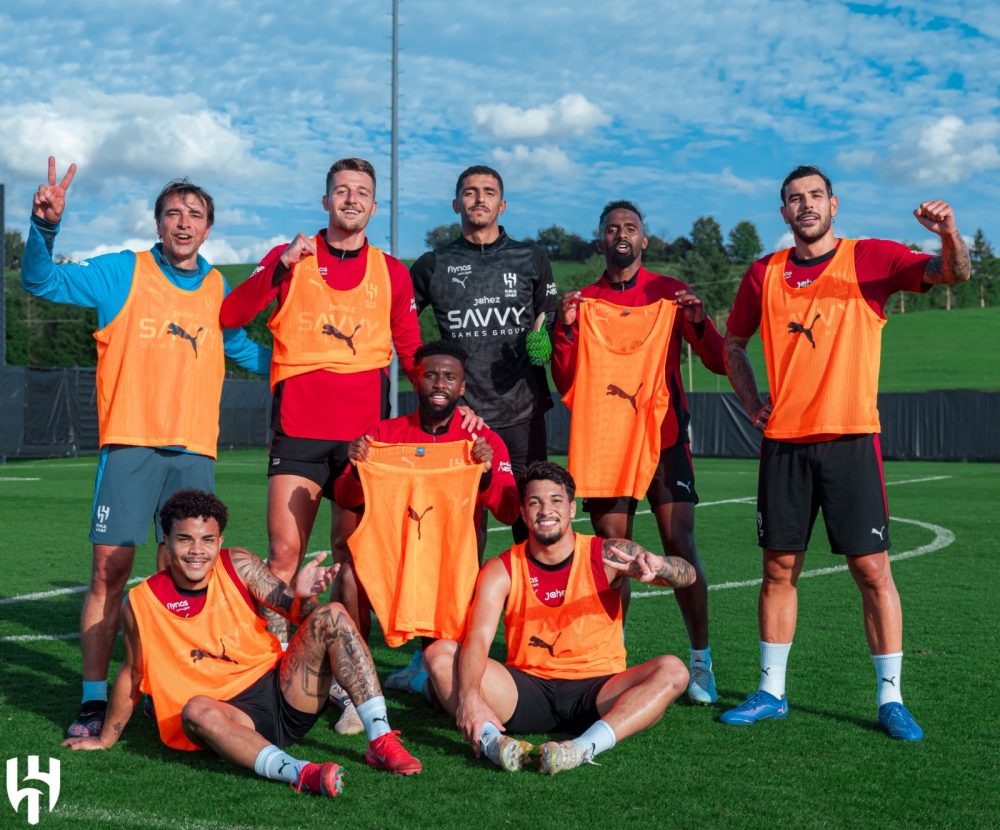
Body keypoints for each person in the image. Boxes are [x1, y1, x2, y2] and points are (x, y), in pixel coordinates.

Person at [22, 157, 271, 740]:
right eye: (174, 213)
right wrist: (45, 227)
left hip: (194, 451)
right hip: (131, 443)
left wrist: (313, 368)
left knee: (186, 573)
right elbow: (41, 281)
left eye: (196, 214)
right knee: (110, 569)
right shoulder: (122, 272)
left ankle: (174, 684)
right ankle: (93, 699)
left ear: (208, 228)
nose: (184, 222)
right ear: (158, 223)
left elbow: (243, 350)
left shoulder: (217, 286)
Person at [720, 165, 971, 740]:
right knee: (778, 569)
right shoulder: (763, 273)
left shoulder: (870, 258)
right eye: (794, 199)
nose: (806, 205)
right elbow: (734, 342)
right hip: (784, 445)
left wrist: (949, 234)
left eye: (816, 196)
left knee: (872, 570)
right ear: (783, 212)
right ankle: (771, 692)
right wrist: (753, 402)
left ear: (834, 205)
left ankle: (891, 699)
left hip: (852, 439)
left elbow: (952, 274)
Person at [62, 489, 422, 793]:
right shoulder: (141, 602)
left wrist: (302, 596)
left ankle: (381, 739)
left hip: (283, 692)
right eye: (185, 539)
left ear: (219, 541)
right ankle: (301, 772)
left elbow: (302, 615)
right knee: (196, 710)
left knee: (333, 615)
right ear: (167, 542)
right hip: (228, 718)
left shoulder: (239, 563)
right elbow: (132, 672)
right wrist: (105, 738)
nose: (197, 550)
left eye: (207, 540)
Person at [551, 200, 727, 705]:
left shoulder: (669, 293)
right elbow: (564, 378)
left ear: (644, 240)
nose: (621, 234)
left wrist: (698, 322)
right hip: (606, 441)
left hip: (664, 438)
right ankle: (610, 660)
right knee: (613, 552)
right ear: (600, 240)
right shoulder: (584, 301)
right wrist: (564, 329)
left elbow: (717, 360)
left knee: (680, 544)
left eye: (630, 227)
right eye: (612, 228)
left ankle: (701, 661)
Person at [423, 461, 695, 774]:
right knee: (439, 654)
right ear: (523, 513)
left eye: (556, 500)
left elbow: (687, 575)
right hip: (525, 691)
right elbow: (479, 638)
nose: (546, 510)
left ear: (572, 508)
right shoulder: (501, 568)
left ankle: (581, 748)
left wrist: (661, 566)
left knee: (673, 670)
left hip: (597, 691)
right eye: (534, 502)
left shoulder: (606, 554)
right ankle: (494, 742)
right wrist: (470, 695)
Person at [334, 340, 520, 692]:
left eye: (449, 377)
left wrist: (486, 474)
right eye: (430, 375)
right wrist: (357, 469)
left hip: (451, 572)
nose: (439, 384)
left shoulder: (481, 441)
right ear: (416, 381)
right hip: (393, 565)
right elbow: (344, 497)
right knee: (347, 576)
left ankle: (418, 675)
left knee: (443, 688)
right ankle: (356, 682)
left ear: (462, 387)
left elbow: (510, 512)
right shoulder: (383, 436)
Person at [409, 165, 559, 543]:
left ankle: (528, 587)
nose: (480, 199)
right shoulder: (433, 264)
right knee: (462, 531)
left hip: (523, 413)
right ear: (456, 203)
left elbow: (552, 319)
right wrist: (429, 382)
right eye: (471, 192)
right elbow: (400, 326)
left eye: (489, 192)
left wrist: (546, 341)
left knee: (529, 522)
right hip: (462, 416)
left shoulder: (531, 256)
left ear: (502, 205)